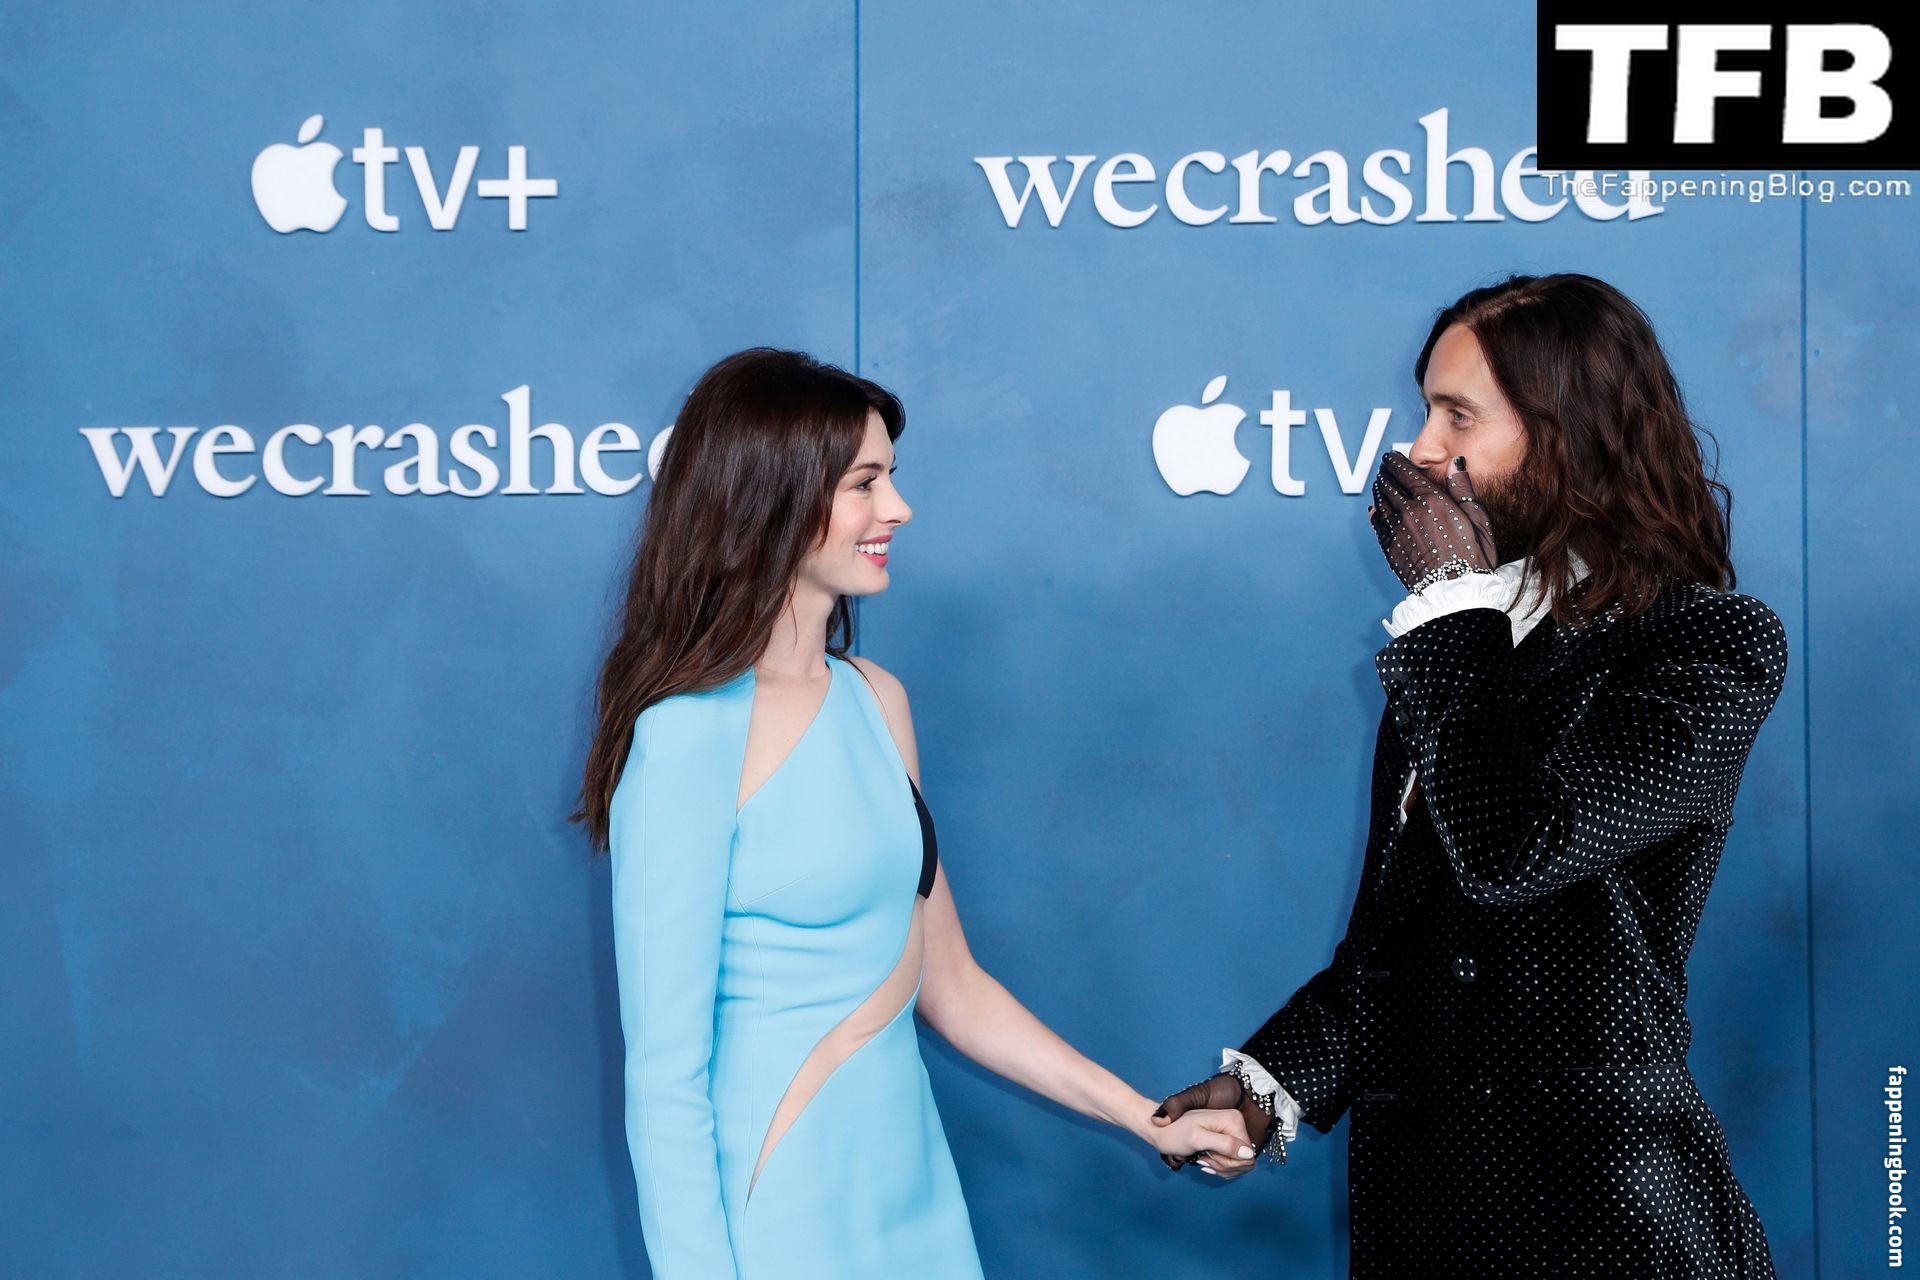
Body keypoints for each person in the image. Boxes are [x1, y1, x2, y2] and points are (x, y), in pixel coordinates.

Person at [1153, 274, 1789, 1278]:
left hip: (1607, 1228)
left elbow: (1515, 851)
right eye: (1425, 411)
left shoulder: (1705, 644)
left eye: (1458, 415)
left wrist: (1450, 603)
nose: (1417, 451)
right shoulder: (1459, 647)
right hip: (1426, 1222)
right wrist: (1268, 1087)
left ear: (1569, 432)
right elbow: (1406, 939)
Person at [571, 348, 1253, 1279]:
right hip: (780, 1213)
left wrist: (1146, 1118)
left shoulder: (875, 700)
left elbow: (952, 987)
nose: (898, 509)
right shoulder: (685, 738)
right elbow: (664, 1079)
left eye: (889, 478)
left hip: (912, 1197)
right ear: (772, 497)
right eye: (865, 483)